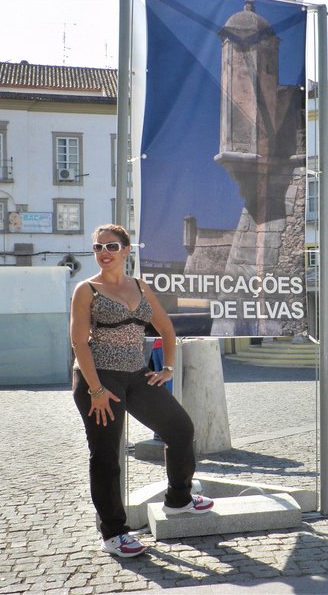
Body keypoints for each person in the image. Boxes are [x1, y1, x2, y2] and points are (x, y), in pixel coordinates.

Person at [70, 224, 213, 558]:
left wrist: (168, 368)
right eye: (97, 247)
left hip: (137, 374)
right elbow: (78, 342)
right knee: (106, 456)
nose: (103, 253)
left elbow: (166, 328)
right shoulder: (86, 290)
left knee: (180, 429)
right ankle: (114, 533)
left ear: (126, 250)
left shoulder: (140, 286)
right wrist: (95, 389)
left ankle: (179, 499)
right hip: (99, 379)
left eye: (111, 246)